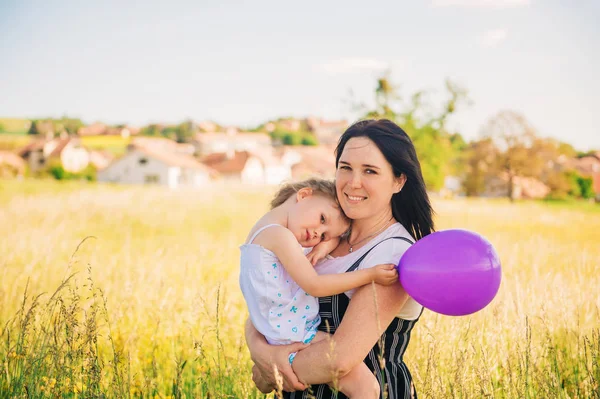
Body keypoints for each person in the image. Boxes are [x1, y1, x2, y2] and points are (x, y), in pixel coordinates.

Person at [245, 119, 435, 399]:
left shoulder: (394, 256)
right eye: (345, 167)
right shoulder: (317, 236)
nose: (353, 182)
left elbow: (340, 359)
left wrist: (272, 368)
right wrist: (260, 349)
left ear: (399, 180)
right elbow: (266, 301)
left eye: (370, 171)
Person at [239, 177, 401, 398]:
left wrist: (325, 245)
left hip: (284, 334)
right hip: (295, 336)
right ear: (304, 194)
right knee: (366, 388)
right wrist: (370, 274)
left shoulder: (266, 233)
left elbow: (333, 235)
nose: (317, 234)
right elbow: (314, 286)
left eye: (324, 234)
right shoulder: (280, 236)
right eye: (322, 218)